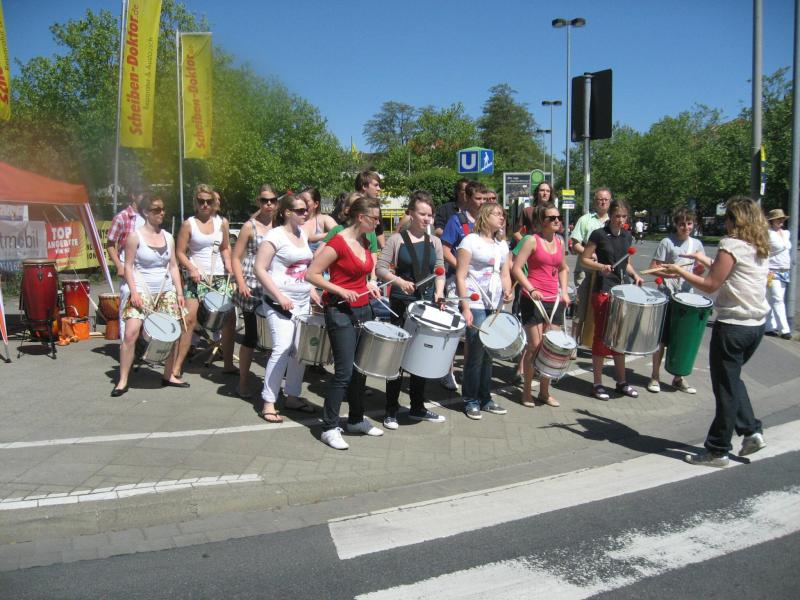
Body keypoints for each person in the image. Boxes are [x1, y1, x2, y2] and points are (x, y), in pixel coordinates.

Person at [658, 197, 770, 467]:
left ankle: (718, 450)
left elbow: (710, 285)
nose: (725, 222)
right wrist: (704, 259)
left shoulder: (730, 244)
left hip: (733, 327)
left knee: (725, 390)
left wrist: (679, 271)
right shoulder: (758, 246)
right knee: (732, 380)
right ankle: (751, 431)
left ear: (735, 220)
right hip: (756, 327)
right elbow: (732, 273)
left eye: (728, 217)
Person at [305, 196, 384, 450]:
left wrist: (371, 283)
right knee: (344, 372)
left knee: (360, 369)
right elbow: (311, 274)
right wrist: (339, 290)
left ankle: (356, 420)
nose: (378, 223)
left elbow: (365, 273)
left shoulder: (366, 240)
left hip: (363, 309)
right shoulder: (338, 242)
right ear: (361, 217)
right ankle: (329, 427)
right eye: (375, 218)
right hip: (340, 311)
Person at [375, 190, 447, 429]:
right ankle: (391, 410)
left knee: (422, 355)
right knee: (396, 358)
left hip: (425, 304)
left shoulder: (435, 242)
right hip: (400, 303)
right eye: (422, 213)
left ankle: (418, 407)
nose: (426, 218)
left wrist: (439, 292)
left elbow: (439, 271)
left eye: (429, 214)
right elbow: (380, 269)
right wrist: (398, 281)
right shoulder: (396, 240)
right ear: (411, 213)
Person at [253, 194, 320, 423]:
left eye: (306, 210)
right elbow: (259, 269)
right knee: (282, 348)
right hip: (277, 302)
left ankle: (292, 396)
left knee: (299, 350)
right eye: (300, 210)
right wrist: (279, 296)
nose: (305, 213)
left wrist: (312, 290)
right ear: (287, 213)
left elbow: (304, 268)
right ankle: (268, 401)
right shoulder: (275, 236)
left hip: (301, 301)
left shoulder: (303, 234)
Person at [111, 196, 185, 396]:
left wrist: (179, 292)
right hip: (141, 289)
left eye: (163, 209)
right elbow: (128, 266)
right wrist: (134, 292)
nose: (161, 213)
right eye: (156, 210)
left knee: (174, 332)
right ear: (146, 212)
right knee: (130, 333)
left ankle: (168, 375)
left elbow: (173, 266)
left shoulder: (168, 237)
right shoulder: (135, 237)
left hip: (164, 289)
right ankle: (123, 380)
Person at [580, 198, 643, 400]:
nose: (620, 220)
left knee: (620, 339)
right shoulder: (599, 234)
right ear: (611, 215)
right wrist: (601, 267)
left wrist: (635, 275)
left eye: (624, 217)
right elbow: (584, 259)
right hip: (603, 290)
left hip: (622, 292)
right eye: (617, 216)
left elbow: (626, 263)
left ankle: (622, 382)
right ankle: (597, 384)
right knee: (602, 337)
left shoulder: (627, 236)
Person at [171, 184, 236, 380]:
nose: (205, 205)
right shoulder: (188, 224)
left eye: (209, 201)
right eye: (201, 201)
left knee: (229, 319)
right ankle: (176, 367)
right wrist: (191, 269)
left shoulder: (222, 223)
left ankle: (228, 364)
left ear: (214, 203)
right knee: (189, 320)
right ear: (195, 202)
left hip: (219, 276)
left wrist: (229, 264)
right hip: (196, 277)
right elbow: (180, 252)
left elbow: (225, 247)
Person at [456, 202, 513, 420]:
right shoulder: (470, 241)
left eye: (502, 214)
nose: (501, 218)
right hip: (475, 301)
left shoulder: (502, 245)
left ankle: (485, 398)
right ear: (485, 216)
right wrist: (465, 307)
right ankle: (471, 400)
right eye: (497, 214)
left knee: (490, 354)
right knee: (476, 353)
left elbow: (505, 274)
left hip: (494, 304)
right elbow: (461, 275)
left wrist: (508, 291)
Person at [511, 202, 571, 407]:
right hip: (533, 300)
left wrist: (564, 291)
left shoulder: (560, 241)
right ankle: (527, 391)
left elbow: (563, 268)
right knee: (535, 346)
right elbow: (516, 268)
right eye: (552, 218)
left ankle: (544, 392)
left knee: (551, 349)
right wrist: (530, 289)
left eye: (558, 217)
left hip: (554, 300)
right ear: (541, 221)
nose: (557, 221)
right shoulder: (531, 240)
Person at [647, 208, 707, 394]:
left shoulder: (697, 244)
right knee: (661, 339)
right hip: (667, 295)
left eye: (689, 223)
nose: (686, 227)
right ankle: (655, 376)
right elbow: (653, 268)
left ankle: (678, 378)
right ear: (676, 224)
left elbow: (700, 270)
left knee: (682, 339)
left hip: (687, 298)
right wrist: (671, 273)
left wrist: (698, 270)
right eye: (682, 224)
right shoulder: (667, 242)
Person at [439, 180, 488, 391]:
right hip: (455, 281)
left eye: (485, 198)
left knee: (474, 331)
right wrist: (461, 268)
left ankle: (470, 373)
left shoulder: (487, 223)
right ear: (467, 198)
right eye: (478, 198)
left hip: (481, 285)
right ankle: (446, 371)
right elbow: (445, 249)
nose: (482, 202)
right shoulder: (457, 220)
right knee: (453, 329)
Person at [230, 185, 277, 398]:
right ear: (259, 201)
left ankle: (270, 384)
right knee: (251, 334)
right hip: (251, 282)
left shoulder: (279, 225)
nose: (269, 204)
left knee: (272, 337)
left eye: (272, 200)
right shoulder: (250, 226)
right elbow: (236, 256)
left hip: (272, 283)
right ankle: (243, 382)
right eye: (265, 200)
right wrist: (240, 282)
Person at [570, 188, 612, 350]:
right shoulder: (585, 220)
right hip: (585, 270)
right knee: (581, 309)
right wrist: (589, 254)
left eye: (606, 199)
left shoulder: (613, 221)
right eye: (600, 199)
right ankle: (573, 345)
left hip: (605, 273)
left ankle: (598, 345)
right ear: (595, 201)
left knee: (602, 308)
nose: (603, 202)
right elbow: (575, 244)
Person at [106, 188, 145, 338]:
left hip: (144, 267)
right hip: (127, 265)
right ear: (133, 195)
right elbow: (110, 244)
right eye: (141, 194)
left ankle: (142, 344)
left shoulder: (148, 216)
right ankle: (125, 344)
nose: (144, 197)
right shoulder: (122, 217)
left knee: (145, 305)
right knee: (127, 305)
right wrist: (119, 265)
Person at [765, 208, 792, 340]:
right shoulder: (767, 234)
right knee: (778, 299)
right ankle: (785, 329)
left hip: (784, 270)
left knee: (774, 299)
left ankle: (769, 326)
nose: (781, 221)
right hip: (772, 270)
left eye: (782, 219)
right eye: (778, 219)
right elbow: (762, 251)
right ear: (772, 221)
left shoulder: (786, 233)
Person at [299, 187, 337, 254]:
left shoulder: (323, 219)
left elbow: (340, 233)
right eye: (300, 201)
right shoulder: (294, 220)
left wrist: (316, 237)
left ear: (316, 204)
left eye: (305, 201)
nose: (302, 204)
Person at [355, 170, 386, 248]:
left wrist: (384, 249)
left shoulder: (375, 206)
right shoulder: (349, 205)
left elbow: (379, 232)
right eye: (376, 185)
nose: (379, 189)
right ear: (364, 186)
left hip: (369, 251)